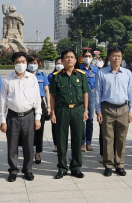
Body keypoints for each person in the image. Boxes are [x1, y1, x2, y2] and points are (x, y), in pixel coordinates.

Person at [0, 51, 42, 182]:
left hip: (29, 116)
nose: (21, 64)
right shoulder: (7, 80)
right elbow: (2, 101)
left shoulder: (32, 78)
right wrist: (2, 120)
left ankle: (27, 170)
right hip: (12, 117)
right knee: (12, 145)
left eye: (23, 62)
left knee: (29, 145)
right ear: (13, 64)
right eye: (18, 62)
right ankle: (13, 170)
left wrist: (37, 118)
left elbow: (37, 99)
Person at [95, 46, 132, 177]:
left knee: (121, 137)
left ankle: (120, 164)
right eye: (113, 55)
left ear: (121, 58)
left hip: (123, 108)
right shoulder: (102, 73)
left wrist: (131, 110)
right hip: (107, 108)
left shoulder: (127, 73)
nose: (116, 58)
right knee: (107, 138)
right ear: (109, 57)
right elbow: (97, 93)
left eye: (118, 56)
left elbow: (131, 92)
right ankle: (108, 165)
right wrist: (98, 111)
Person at [50, 49, 89, 179]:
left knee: (77, 139)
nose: (69, 59)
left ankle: (76, 167)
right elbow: (53, 96)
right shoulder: (57, 76)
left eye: (72, 57)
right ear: (62, 60)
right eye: (66, 57)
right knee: (61, 140)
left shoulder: (81, 75)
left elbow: (85, 94)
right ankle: (62, 167)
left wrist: (86, 110)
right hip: (62, 110)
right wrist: (53, 113)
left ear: (76, 60)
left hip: (77, 109)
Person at [26, 54, 51, 164]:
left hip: (40, 103)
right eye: (30, 63)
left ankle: (38, 153)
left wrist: (48, 106)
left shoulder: (42, 75)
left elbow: (46, 91)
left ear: (38, 64)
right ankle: (29, 151)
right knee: (28, 130)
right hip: (27, 103)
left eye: (34, 63)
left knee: (39, 130)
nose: (32, 65)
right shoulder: (24, 75)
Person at [79, 49, 99, 152]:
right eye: (85, 56)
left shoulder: (95, 69)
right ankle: (82, 142)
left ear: (92, 58)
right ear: (82, 57)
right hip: (81, 94)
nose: (87, 58)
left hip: (91, 94)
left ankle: (89, 143)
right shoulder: (78, 68)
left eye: (89, 56)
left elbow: (98, 84)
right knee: (82, 120)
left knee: (90, 120)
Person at [48, 57, 64, 152]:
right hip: (55, 102)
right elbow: (49, 91)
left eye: (61, 63)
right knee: (55, 124)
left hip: (65, 103)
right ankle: (56, 144)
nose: (59, 65)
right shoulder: (51, 75)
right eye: (58, 63)